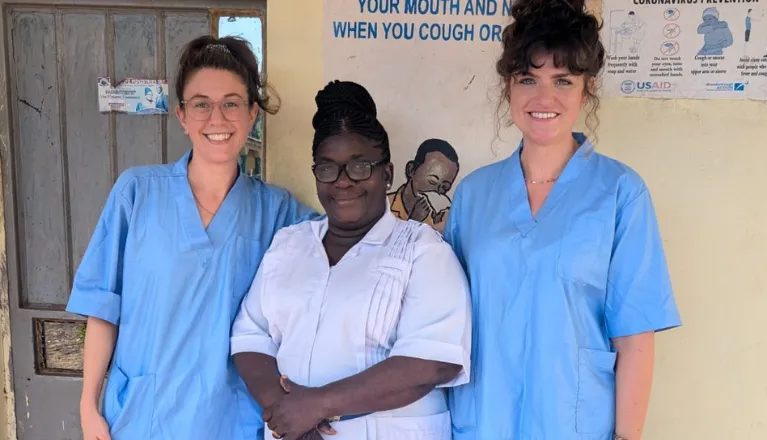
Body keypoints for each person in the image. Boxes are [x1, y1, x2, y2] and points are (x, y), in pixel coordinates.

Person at [445, 1, 682, 439]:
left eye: (563, 80)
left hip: (574, 424)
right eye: (528, 79)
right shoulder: (474, 195)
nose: (543, 98)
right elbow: (443, 320)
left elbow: (634, 338)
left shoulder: (620, 193)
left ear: (586, 89)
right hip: (481, 421)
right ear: (508, 88)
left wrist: (626, 437)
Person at [67, 35, 316, 440]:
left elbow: (344, 253)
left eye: (231, 103)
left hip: (231, 420)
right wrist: (87, 406)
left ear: (252, 113)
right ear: (182, 115)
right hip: (141, 416)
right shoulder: (137, 193)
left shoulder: (278, 212)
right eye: (201, 104)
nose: (216, 119)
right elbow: (102, 307)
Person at [231, 80, 472, 440]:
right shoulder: (289, 245)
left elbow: (432, 362)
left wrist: (316, 406)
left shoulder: (424, 251)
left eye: (359, 167)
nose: (343, 182)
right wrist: (288, 415)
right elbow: (250, 336)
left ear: (386, 174)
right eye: (327, 168)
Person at [386, 138, 459, 232]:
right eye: (432, 181)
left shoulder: (444, 217)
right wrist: (414, 222)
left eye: (445, 187)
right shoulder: (382, 208)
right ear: (411, 170)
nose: (437, 192)